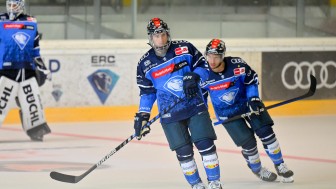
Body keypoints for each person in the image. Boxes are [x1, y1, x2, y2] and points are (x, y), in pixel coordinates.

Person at [134, 18, 223, 189]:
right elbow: (147, 92)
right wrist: (143, 115)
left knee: (205, 144)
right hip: (170, 114)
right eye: (156, 35)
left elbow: (203, 66)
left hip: (195, 104)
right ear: (150, 38)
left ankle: (214, 182)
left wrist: (194, 76)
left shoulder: (185, 48)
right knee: (184, 152)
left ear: (168, 34)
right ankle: (196, 184)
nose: (160, 39)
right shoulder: (144, 63)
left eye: (162, 34)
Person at [198, 39, 294, 183]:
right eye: (209, 56)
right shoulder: (203, 73)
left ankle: (280, 164)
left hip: (248, 104)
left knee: (265, 131)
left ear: (223, 55)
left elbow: (251, 81)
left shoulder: (238, 65)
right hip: (227, 113)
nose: (212, 60)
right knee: (248, 143)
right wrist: (202, 114)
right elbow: (201, 96)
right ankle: (257, 169)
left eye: (216, 56)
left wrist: (254, 98)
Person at [0, 0, 51, 141]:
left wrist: (42, 66)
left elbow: (35, 50)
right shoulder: (0, 20)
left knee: (31, 100)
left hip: (27, 69)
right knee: (0, 102)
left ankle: (36, 129)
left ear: (21, 6)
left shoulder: (31, 22)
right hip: (6, 69)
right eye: (9, 5)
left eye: (14, 5)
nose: (11, 8)